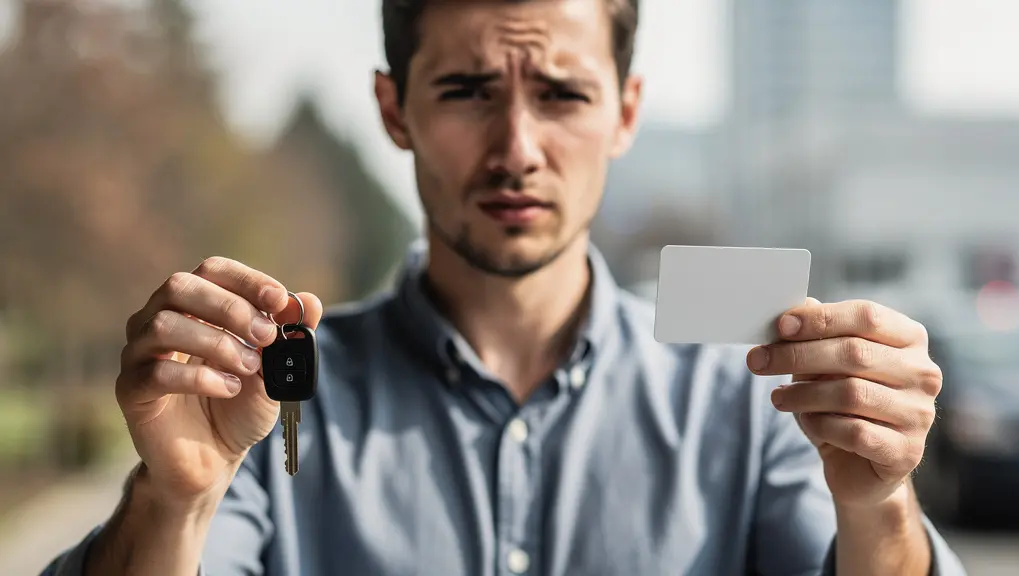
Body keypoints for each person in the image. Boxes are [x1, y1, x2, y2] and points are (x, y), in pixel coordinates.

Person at [44, 0, 967, 574]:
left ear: (626, 112)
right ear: (393, 109)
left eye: (561, 94)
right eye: (469, 90)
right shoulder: (266, 399)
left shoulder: (758, 394)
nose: (518, 148)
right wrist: (174, 500)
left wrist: (878, 503)